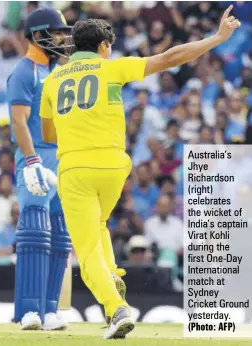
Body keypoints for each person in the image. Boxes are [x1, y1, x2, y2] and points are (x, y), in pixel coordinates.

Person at [37, 6, 240, 339]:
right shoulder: (113, 68)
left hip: (75, 168)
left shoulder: (51, 82)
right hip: (115, 166)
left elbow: (48, 135)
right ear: (103, 47)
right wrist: (217, 37)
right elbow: (171, 57)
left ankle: (116, 308)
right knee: (99, 224)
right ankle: (113, 275)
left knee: (86, 253)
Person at [6, 8, 73, 331]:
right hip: (35, 157)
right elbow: (19, 121)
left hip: (62, 157)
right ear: (37, 35)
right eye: (57, 32)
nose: (62, 38)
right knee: (34, 228)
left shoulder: (57, 72)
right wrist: (31, 160)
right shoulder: (24, 72)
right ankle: (29, 310)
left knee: (60, 234)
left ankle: (49, 310)